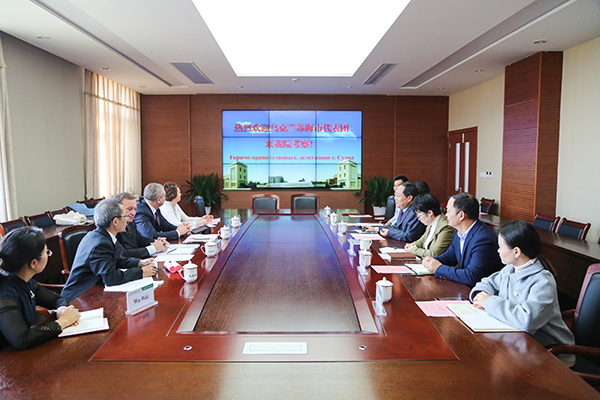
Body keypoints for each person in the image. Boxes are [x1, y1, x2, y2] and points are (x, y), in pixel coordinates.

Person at [470, 220, 575, 366]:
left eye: (500, 247)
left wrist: (489, 302)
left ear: (516, 252)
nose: (498, 250)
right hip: (519, 346)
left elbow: (526, 321)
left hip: (551, 354)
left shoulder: (542, 281)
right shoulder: (510, 269)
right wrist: (480, 294)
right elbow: (488, 282)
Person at [0, 227, 80, 350]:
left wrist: (62, 310)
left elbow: (56, 299)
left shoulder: (24, 280)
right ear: (33, 263)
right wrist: (63, 322)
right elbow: (21, 340)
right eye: (46, 252)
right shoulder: (6, 293)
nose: (48, 255)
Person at [61, 199, 156, 302]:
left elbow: (115, 259)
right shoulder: (101, 244)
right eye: (125, 216)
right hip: (79, 298)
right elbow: (111, 278)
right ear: (115, 221)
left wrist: (139, 262)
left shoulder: (100, 235)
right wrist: (141, 272)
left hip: (94, 290)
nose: (127, 219)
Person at [422, 193, 502, 286]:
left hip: (480, 290)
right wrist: (432, 261)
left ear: (461, 215)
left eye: (448, 211)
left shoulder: (483, 239)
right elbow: (450, 257)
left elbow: (471, 276)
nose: (446, 215)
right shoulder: (459, 232)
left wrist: (438, 268)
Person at [113, 192, 168, 258]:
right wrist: (153, 248)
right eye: (129, 209)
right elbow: (124, 253)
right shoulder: (114, 228)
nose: (133, 213)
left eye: (135, 209)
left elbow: (140, 240)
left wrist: (157, 242)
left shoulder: (131, 223)